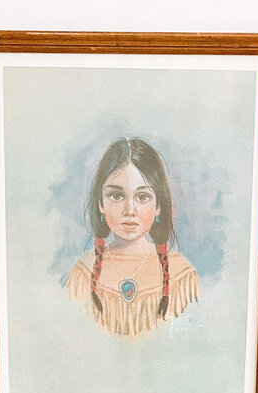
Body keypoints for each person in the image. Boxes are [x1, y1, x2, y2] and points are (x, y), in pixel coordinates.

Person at [65, 137, 200, 338]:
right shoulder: (83, 273)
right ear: (101, 203)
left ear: (158, 206)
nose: (130, 210)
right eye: (117, 196)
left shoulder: (182, 275)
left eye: (142, 197)